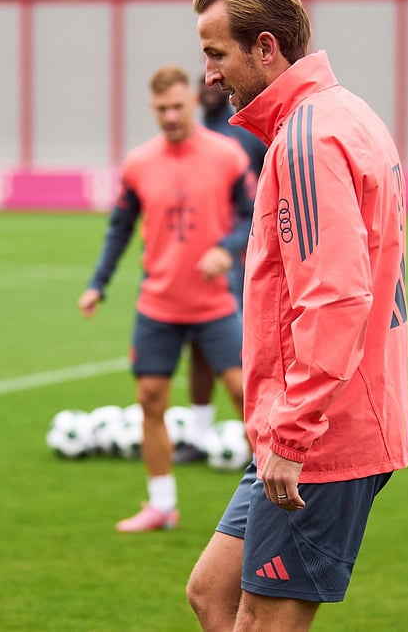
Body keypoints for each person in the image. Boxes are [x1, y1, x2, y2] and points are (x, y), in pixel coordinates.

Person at [186, 0, 408, 631]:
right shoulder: (338, 113)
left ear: (265, 48)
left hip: (320, 430)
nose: (208, 76)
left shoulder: (310, 136)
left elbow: (337, 297)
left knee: (259, 619)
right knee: (212, 594)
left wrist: (292, 432)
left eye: (216, 54)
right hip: (300, 422)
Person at [78, 64, 253, 532]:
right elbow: (119, 228)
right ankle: (162, 505)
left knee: (243, 393)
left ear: (193, 103)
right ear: (152, 108)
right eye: (161, 108)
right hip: (158, 303)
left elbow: (250, 217)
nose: (171, 115)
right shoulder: (138, 164)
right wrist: (99, 282)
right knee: (150, 399)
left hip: (215, 301)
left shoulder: (228, 156)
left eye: (178, 105)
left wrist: (226, 248)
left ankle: (269, 503)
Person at [173, 76, 271, 466]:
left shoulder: (244, 133)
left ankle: (262, 440)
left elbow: (267, 184)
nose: (211, 89)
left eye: (218, 83)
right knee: (198, 345)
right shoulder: (196, 138)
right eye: (204, 86)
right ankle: (197, 436)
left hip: (235, 255)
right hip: (196, 258)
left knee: (240, 348)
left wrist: (251, 240)